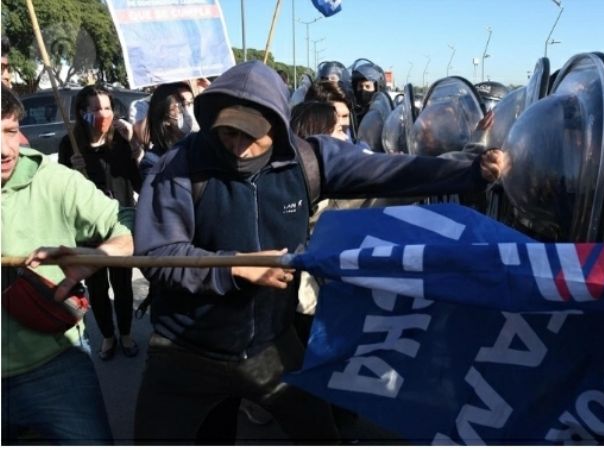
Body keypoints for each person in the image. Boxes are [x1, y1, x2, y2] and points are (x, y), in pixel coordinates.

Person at [133, 60, 504, 444]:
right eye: (228, 132)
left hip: (270, 345)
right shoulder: (180, 164)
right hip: (186, 349)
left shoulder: (308, 160)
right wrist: (236, 268)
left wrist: (470, 171)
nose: (239, 146)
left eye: (251, 134)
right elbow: (159, 255)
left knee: (322, 436)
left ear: (277, 127)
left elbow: (391, 170)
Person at [1, 84, 135, 444]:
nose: (3, 149)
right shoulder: (69, 143)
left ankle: (120, 335)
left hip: (54, 365)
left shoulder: (55, 179)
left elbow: (130, 222)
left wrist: (100, 255)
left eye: (10, 131)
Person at [58, 84, 142, 360]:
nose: (103, 114)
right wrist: (72, 168)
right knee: (97, 287)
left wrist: (135, 151)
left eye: (107, 107)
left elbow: (137, 181)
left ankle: (126, 333)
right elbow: (61, 190)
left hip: (119, 224)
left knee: (122, 284)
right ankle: (108, 336)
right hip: (87, 228)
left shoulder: (119, 141)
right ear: (82, 113)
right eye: (95, 108)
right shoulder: (69, 144)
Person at [140, 81, 196, 177]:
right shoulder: (152, 161)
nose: (187, 111)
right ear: (164, 118)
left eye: (190, 103)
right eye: (180, 106)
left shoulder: (201, 146)